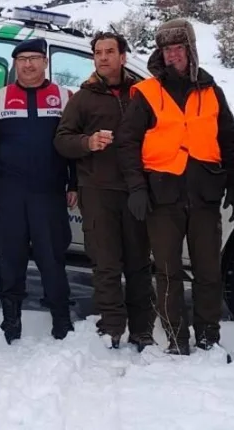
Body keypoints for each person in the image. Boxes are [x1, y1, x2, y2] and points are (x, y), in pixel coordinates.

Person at [115, 18, 234, 356]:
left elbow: (229, 140)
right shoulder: (147, 93)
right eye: (167, 50)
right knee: (167, 272)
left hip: (204, 195)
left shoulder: (213, 91)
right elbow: (127, 143)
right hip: (162, 197)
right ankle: (176, 337)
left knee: (208, 271)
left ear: (191, 50)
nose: (173, 55)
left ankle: (208, 336)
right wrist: (137, 188)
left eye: (179, 48)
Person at [0, 37, 77, 344]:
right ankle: (11, 318)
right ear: (15, 64)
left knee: (52, 257)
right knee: (10, 257)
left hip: (50, 192)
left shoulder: (64, 97)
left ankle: (61, 319)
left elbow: (73, 146)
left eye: (34, 59)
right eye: (22, 59)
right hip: (9, 193)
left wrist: (75, 183)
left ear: (45, 62)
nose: (28, 64)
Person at [55, 31, 155, 351]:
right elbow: (62, 140)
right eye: (98, 52)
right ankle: (111, 327)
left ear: (123, 57)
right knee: (106, 264)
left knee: (139, 264)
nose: (103, 57)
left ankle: (142, 329)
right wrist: (88, 142)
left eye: (110, 52)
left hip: (137, 190)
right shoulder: (83, 98)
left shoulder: (142, 94)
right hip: (97, 191)